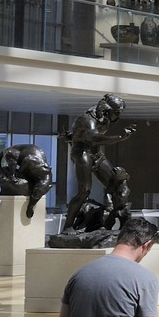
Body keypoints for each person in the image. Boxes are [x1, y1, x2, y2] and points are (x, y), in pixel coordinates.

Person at [62, 94, 136, 233]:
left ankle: (117, 221)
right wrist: (120, 137)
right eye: (117, 113)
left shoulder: (103, 117)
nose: (118, 117)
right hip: (82, 153)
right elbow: (94, 138)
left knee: (117, 184)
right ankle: (68, 226)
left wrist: (72, 136)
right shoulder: (87, 119)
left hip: (96, 154)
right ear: (108, 110)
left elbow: (82, 135)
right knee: (84, 191)